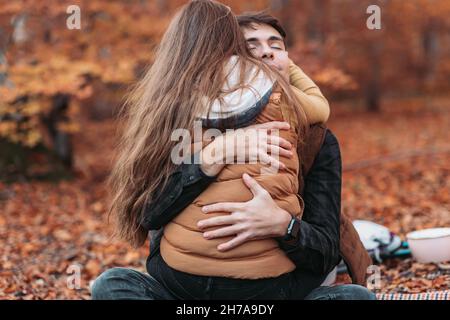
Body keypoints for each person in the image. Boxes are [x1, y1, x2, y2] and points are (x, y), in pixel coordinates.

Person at [92, 2, 375, 300]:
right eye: (251, 45)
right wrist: (211, 158)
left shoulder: (315, 140)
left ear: (290, 62)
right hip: (186, 292)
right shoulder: (181, 123)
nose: (266, 52)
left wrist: (283, 225)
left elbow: (325, 251)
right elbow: (148, 215)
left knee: (355, 298)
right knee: (111, 284)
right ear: (227, 60)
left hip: (273, 293)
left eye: (275, 45)